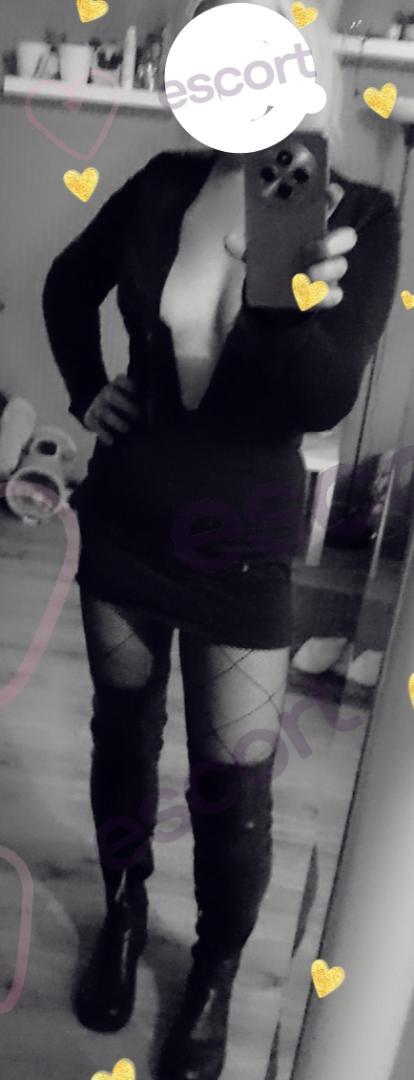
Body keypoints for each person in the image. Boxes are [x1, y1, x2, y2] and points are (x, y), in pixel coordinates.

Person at [42, 1, 399, 1076]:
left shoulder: (361, 214)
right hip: (126, 515)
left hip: (244, 544)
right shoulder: (163, 183)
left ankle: (214, 971)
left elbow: (322, 400)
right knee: (121, 739)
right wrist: (87, 389)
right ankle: (121, 911)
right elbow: (67, 286)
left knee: (231, 787)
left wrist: (286, 294)